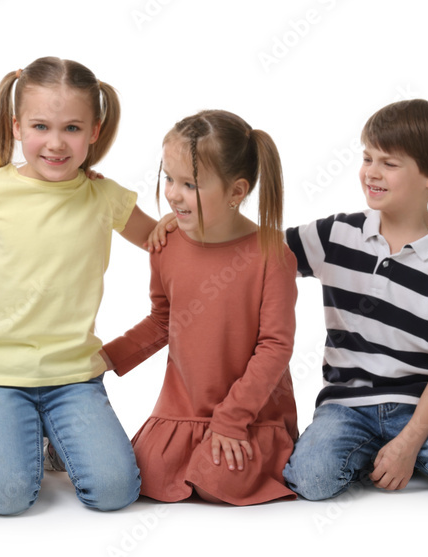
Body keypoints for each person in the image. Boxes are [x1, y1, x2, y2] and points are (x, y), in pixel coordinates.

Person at [279, 99, 428, 502]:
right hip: (346, 405)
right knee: (312, 481)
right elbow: (254, 253)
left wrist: (409, 443)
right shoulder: (334, 236)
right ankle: (374, 452)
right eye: (367, 157)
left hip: (421, 405)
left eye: (389, 164)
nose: (371, 172)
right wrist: (190, 220)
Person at [0, 56, 155, 515]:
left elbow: (160, 242)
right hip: (1, 376)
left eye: (72, 129)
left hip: (75, 376)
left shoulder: (104, 196)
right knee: (7, 500)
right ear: (16, 126)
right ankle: (23, 431)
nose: (56, 144)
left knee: (116, 492)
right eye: (41, 126)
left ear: (94, 131)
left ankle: (56, 433)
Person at [101, 110, 299, 505]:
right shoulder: (166, 245)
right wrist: (107, 357)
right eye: (169, 179)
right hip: (184, 408)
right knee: (145, 478)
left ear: (236, 192)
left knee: (218, 483)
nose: (173, 194)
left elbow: (275, 346)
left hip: (249, 413)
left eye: (189, 184)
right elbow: (163, 321)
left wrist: (232, 419)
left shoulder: (271, 253)